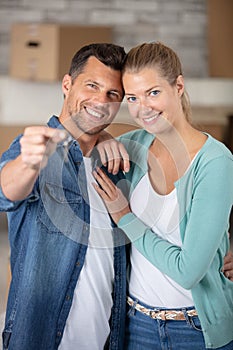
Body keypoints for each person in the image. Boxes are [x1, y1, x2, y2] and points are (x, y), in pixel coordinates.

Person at [93, 42, 233, 349]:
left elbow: (188, 271)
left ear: (178, 86)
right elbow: (79, 165)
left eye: (153, 92)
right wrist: (102, 135)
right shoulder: (132, 145)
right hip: (135, 325)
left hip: (195, 330)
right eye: (132, 97)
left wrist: (125, 217)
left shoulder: (213, 161)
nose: (143, 108)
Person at [0, 43, 129, 350]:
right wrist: (30, 163)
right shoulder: (37, 150)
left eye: (113, 94)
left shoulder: (113, 167)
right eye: (92, 86)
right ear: (67, 84)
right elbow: (6, 190)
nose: (101, 101)